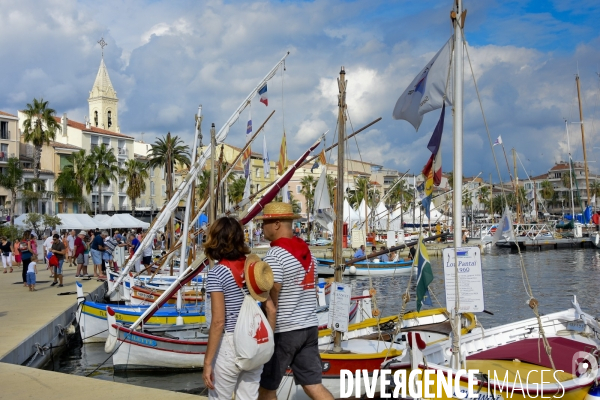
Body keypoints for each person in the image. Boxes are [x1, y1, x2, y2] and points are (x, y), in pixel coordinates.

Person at [256, 202, 333, 400]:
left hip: (284, 330)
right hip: (308, 327)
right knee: (313, 385)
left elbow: (273, 297)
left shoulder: (275, 255)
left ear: (276, 224)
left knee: (267, 388)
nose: (261, 227)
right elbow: (312, 288)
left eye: (264, 223)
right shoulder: (309, 254)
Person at [203, 216, 276, 400]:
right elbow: (271, 310)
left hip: (230, 345)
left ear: (216, 240)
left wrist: (207, 362)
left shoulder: (217, 273)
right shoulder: (254, 269)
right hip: (254, 342)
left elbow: (219, 322)